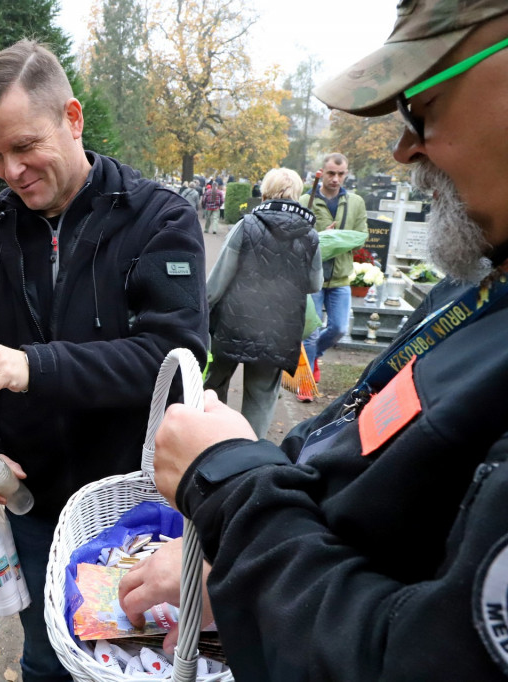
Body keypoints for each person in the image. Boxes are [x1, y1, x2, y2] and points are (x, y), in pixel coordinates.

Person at [121, 2, 508, 679]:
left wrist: (233, 485)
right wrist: (247, 562)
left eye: (423, 105)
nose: (404, 148)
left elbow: (411, 659)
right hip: (273, 339)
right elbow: (367, 453)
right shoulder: (480, 289)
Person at [0, 39, 207, 681]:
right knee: (48, 659)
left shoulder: (158, 221)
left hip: (134, 511)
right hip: (40, 515)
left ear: (73, 117)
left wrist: (36, 365)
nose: (9, 170)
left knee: (138, 662)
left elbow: (170, 361)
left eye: (24, 147)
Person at [203, 167, 322, 437]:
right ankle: (249, 452)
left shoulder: (246, 226)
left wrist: (202, 310)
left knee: (214, 386)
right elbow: (314, 284)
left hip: (232, 323)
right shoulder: (310, 235)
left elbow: (217, 282)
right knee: (261, 398)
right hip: (277, 329)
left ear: (265, 191)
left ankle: (212, 443)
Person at [299, 152, 368, 381]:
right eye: (331, 173)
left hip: (340, 277)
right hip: (312, 278)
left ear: (346, 174)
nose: (335, 179)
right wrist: (320, 237)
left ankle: (315, 354)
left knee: (339, 328)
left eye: (340, 174)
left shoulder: (355, 203)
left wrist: (335, 240)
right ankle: (306, 380)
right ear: (323, 172)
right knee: (309, 332)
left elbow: (361, 236)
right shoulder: (305, 201)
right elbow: (297, 238)